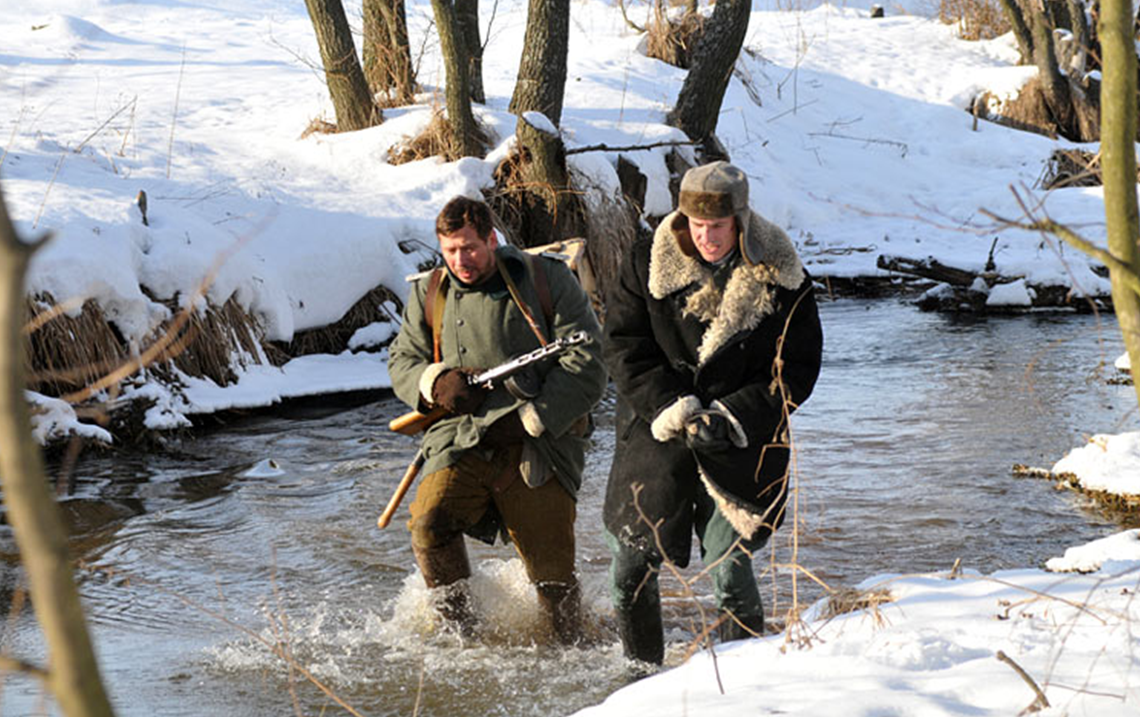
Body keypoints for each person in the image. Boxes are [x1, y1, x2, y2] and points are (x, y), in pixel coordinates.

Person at [601, 161, 823, 664]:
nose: (706, 238)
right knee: (629, 570)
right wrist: (670, 407)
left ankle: (743, 685)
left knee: (730, 571)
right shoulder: (645, 263)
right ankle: (640, 682)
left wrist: (730, 416)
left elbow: (797, 368)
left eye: (717, 227)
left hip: (740, 445)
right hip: (657, 437)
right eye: (696, 226)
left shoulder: (782, 275)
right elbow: (622, 347)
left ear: (740, 220)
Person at [387, 196, 606, 644]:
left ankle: (571, 654)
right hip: (459, 439)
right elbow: (402, 360)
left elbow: (587, 361)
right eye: (449, 250)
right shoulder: (429, 291)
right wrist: (437, 382)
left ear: (491, 239)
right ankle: (460, 638)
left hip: (538, 442)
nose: (459, 260)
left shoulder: (547, 278)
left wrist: (533, 418)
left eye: (469, 248)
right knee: (429, 525)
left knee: (552, 577)